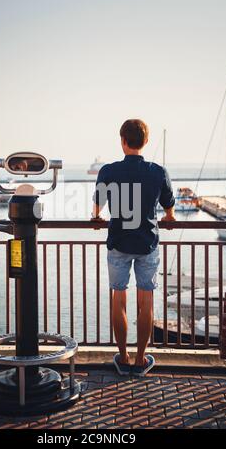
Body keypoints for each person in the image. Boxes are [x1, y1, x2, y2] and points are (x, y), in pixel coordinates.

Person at [92, 119, 176, 377]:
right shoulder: (157, 171)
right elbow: (169, 207)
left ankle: (124, 357)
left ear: (123, 141)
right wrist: (169, 218)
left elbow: (97, 209)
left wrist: (96, 218)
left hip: (118, 242)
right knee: (146, 300)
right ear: (146, 142)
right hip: (147, 243)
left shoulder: (108, 171)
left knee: (119, 298)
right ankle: (141, 359)